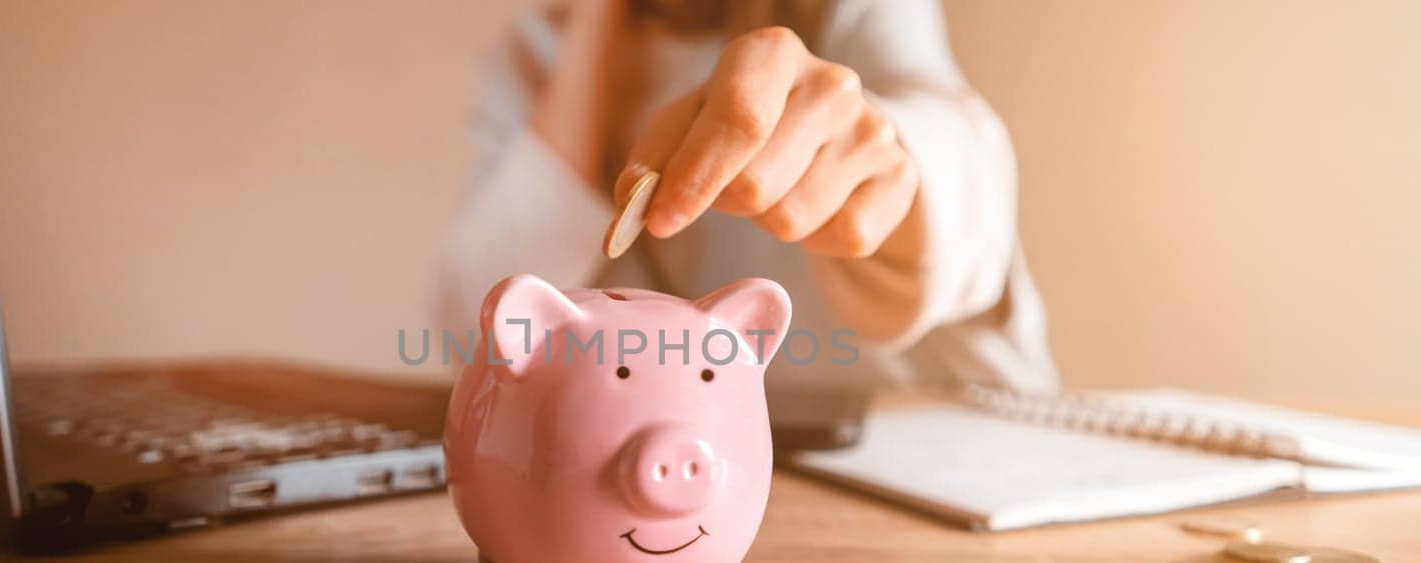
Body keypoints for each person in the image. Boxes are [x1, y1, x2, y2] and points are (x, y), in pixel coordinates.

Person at [437, 0, 1057, 393]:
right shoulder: (534, 55)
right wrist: (596, 25)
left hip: (934, 450)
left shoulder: (854, 12)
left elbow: (959, 152)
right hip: (703, 486)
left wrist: (892, 170)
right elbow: (481, 332)